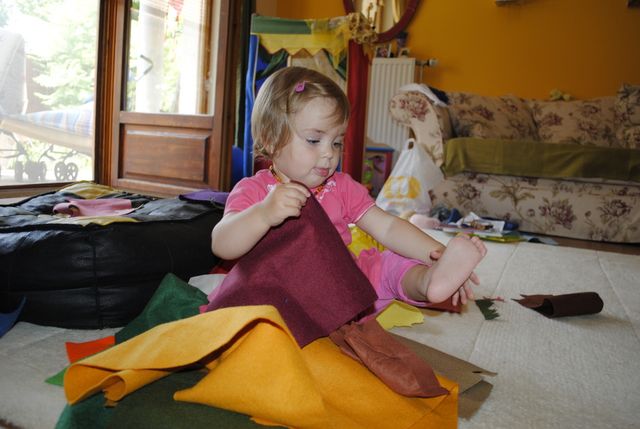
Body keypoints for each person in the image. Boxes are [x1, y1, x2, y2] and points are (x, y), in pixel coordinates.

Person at [211, 66, 486, 313]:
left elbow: (388, 228)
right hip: (280, 290)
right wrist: (263, 214)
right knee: (250, 294)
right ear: (270, 140)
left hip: (340, 286)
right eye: (314, 140)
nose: (329, 154)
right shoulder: (255, 190)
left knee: (388, 265)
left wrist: (437, 254)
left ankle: (429, 281)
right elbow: (222, 244)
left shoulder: (340, 186)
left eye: (336, 143)